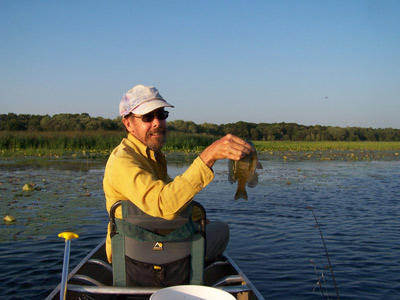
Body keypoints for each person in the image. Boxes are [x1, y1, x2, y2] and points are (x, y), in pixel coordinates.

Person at [103, 84, 254, 264]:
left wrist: (201, 218)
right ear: (128, 124)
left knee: (210, 225)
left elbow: (173, 197)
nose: (157, 122)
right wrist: (208, 157)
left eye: (161, 115)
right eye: (147, 117)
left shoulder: (153, 157)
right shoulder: (123, 161)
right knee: (221, 230)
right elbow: (163, 204)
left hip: (142, 250)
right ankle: (192, 269)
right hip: (138, 257)